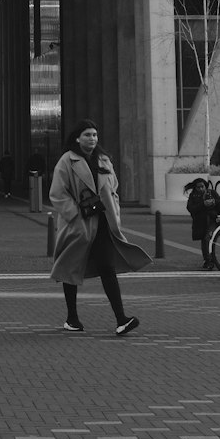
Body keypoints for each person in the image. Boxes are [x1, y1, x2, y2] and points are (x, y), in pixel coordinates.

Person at [49, 119, 150, 336]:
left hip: (103, 223)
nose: (92, 139)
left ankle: (121, 319)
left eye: (95, 134)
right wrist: (74, 216)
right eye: (87, 134)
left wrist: (115, 212)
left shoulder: (104, 159)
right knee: (70, 267)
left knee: (107, 267)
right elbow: (57, 194)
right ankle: (72, 318)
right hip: (79, 224)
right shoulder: (67, 161)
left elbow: (113, 188)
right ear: (77, 138)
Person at [185, 178, 220, 270]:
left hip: (213, 221)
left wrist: (216, 206)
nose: (200, 189)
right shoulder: (193, 196)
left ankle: (210, 260)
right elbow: (190, 208)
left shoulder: (212, 193)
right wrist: (203, 204)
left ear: (205, 186)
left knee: (207, 238)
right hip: (200, 222)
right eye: (198, 187)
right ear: (195, 188)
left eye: (202, 186)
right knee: (204, 240)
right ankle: (208, 260)